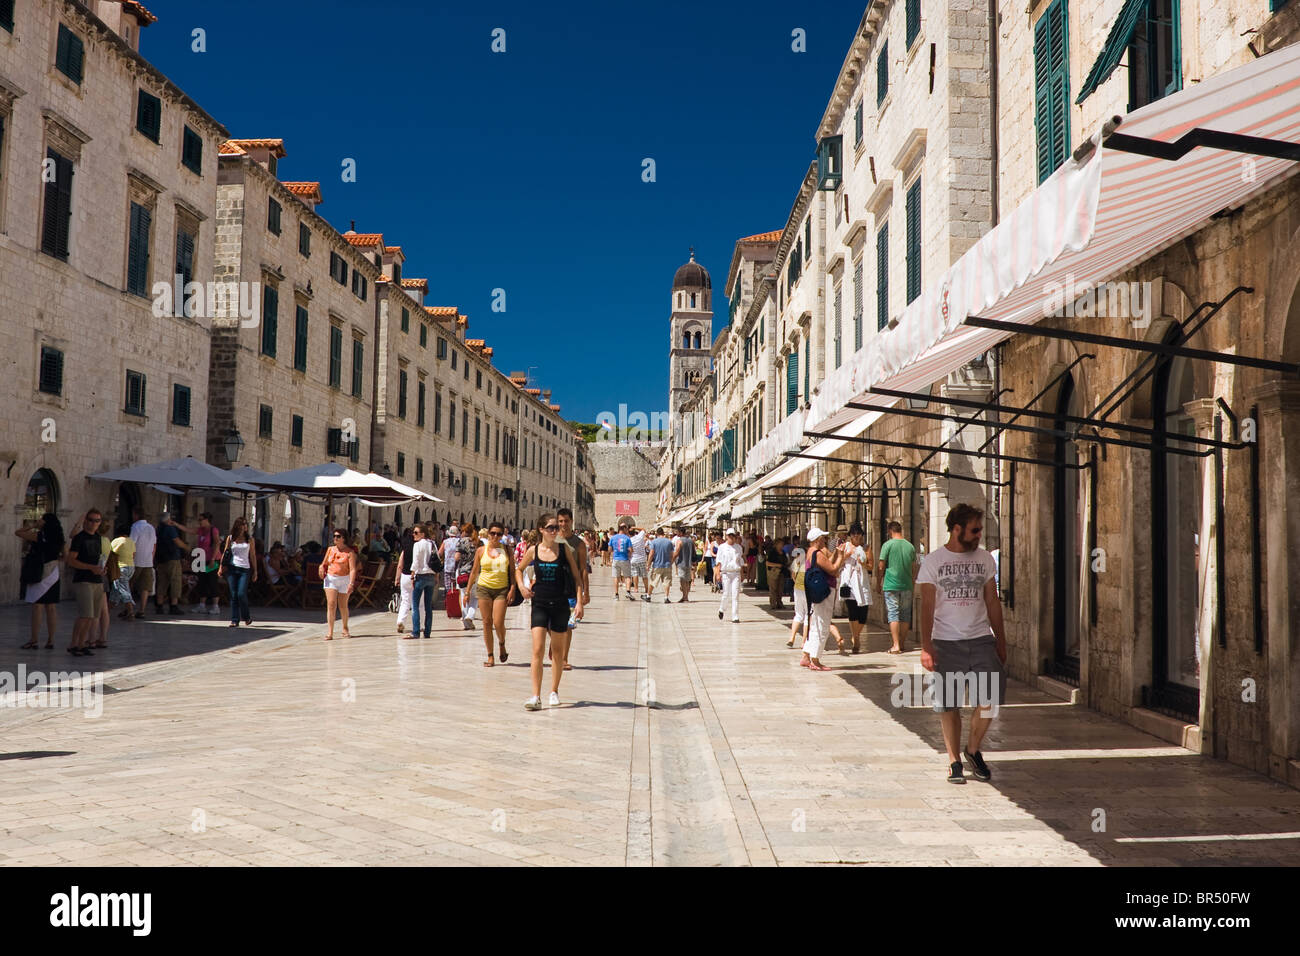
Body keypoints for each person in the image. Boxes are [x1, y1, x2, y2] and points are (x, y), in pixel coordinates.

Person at [918, 503, 1006, 785]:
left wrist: (1000, 640)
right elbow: (927, 606)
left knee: (989, 699)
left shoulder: (984, 559)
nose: (979, 535)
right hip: (946, 641)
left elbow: (992, 601)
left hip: (980, 639)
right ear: (957, 529)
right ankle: (954, 760)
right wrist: (926, 646)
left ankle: (973, 749)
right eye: (975, 530)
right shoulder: (933, 562)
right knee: (949, 705)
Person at [517, 514, 585, 711]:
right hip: (539, 603)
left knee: (557, 651)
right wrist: (521, 586)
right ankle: (535, 696)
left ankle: (553, 691)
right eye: (550, 528)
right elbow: (518, 569)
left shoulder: (564, 550)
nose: (555, 531)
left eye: (556, 527)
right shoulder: (533, 550)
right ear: (541, 529)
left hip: (561, 604)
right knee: (537, 649)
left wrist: (579, 602)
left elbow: (576, 576)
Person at [469, 521, 517, 665]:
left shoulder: (508, 550)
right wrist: (466, 592)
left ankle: (501, 643)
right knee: (486, 622)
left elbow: (513, 572)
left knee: (498, 622)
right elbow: (474, 571)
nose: (495, 536)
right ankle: (490, 655)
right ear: (488, 533)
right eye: (493, 533)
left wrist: (513, 589)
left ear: (503, 535)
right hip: (484, 588)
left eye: (499, 534)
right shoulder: (481, 551)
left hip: (501, 589)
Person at [800, 527, 847, 672]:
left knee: (816, 624)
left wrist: (835, 555)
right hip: (824, 591)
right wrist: (840, 556)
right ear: (816, 540)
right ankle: (815, 659)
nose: (825, 540)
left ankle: (807, 656)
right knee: (822, 625)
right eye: (822, 538)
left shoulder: (813, 552)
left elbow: (827, 564)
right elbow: (832, 569)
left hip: (818, 592)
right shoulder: (817, 553)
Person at [16, 512, 65, 649]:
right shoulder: (60, 538)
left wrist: (32, 525)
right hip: (53, 572)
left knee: (37, 606)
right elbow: (64, 556)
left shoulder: (39, 536)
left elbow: (18, 532)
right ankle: (50, 640)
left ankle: (34, 640)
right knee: (51, 607)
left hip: (39, 572)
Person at [65, 510, 106, 656]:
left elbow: (97, 559)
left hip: (97, 580)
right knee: (84, 614)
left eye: (97, 520)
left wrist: (101, 569)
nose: (94, 523)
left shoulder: (98, 538)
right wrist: (91, 568)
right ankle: (74, 644)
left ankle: (82, 644)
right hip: (83, 580)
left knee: (93, 615)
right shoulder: (79, 538)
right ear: (85, 521)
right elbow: (71, 560)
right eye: (91, 520)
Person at [877, 521, 919, 654]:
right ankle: (902, 643)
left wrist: (879, 581)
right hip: (907, 585)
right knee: (905, 615)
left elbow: (881, 566)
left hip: (891, 585)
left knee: (893, 614)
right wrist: (912, 583)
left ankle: (896, 645)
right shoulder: (910, 546)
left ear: (890, 531)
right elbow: (914, 568)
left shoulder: (887, 545)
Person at [556, 508, 590, 670]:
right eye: (560, 521)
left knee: (568, 626)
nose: (563, 524)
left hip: (571, 587)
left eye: (566, 521)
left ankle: (564, 658)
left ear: (571, 521)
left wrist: (586, 592)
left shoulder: (579, 544)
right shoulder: (552, 540)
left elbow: (583, 568)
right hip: (554, 587)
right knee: (553, 625)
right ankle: (555, 647)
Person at [171, 513, 221, 615]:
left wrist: (212, 559)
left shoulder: (213, 530)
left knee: (212, 581)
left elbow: (216, 544)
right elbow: (188, 530)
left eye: (201, 519)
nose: (199, 521)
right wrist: (176, 524)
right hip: (202, 559)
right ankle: (202, 605)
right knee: (202, 581)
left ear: (207, 520)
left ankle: (215, 606)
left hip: (213, 560)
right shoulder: (201, 530)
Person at [317, 529, 358, 639]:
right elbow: (324, 563)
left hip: (344, 579)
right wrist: (321, 567)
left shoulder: (350, 553)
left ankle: (345, 627)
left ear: (344, 538)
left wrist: (351, 583)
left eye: (338, 536)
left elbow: (353, 569)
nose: (335, 538)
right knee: (331, 604)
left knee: (343, 605)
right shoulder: (330, 550)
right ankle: (330, 632)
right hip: (331, 578)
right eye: (334, 536)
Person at [217, 517, 257, 628]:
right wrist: (221, 567)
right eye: (242, 524)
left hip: (245, 569)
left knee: (241, 594)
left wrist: (255, 571)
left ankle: (246, 616)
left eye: (246, 524)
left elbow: (252, 555)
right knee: (234, 594)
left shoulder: (250, 539)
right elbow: (225, 552)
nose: (245, 526)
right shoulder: (230, 538)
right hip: (232, 568)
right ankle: (235, 620)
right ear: (237, 526)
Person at [839, 523, 871, 654]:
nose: (856, 536)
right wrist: (846, 555)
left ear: (862, 535)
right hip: (849, 583)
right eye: (853, 534)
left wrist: (863, 563)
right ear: (850, 536)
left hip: (862, 583)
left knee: (863, 613)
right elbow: (837, 562)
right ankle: (856, 639)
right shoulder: (845, 547)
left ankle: (855, 635)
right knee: (853, 612)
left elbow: (871, 566)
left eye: (858, 533)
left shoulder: (866, 548)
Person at [407, 523, 438, 640]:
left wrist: (412, 574)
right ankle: (427, 632)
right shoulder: (432, 543)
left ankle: (415, 632)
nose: (413, 535)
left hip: (420, 575)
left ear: (422, 534)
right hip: (431, 575)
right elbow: (437, 559)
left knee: (415, 605)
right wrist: (436, 576)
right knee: (428, 606)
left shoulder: (418, 545)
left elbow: (415, 562)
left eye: (416, 533)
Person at [128, 508, 156, 619]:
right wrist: (151, 558)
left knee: (129, 584)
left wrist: (130, 559)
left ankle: (129, 609)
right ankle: (142, 610)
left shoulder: (135, 527)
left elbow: (131, 544)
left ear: (136, 515)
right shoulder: (151, 528)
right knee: (145, 587)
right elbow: (154, 545)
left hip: (136, 561)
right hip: (148, 561)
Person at [715, 528, 744, 623]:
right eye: (729, 535)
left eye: (733, 535)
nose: (731, 537)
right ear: (726, 536)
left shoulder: (738, 547)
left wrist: (742, 574)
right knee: (726, 594)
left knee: (735, 595)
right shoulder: (722, 547)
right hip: (726, 573)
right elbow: (718, 562)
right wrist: (718, 574)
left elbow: (740, 561)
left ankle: (735, 616)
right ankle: (722, 609)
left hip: (736, 572)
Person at [455, 523, 479, 631]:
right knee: (474, 597)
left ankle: (465, 620)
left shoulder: (461, 541)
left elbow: (456, 557)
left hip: (463, 572)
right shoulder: (478, 542)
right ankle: (470, 616)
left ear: (464, 531)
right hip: (477, 572)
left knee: (463, 595)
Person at [392, 526, 415, 635]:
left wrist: (397, 578)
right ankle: (419, 624)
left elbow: (400, 565)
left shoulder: (405, 548)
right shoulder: (419, 546)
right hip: (416, 576)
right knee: (418, 602)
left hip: (405, 576)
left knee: (405, 601)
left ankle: (401, 621)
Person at [786, 544, 807, 648]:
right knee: (808, 615)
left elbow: (793, 576)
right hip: (807, 590)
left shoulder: (795, 562)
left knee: (798, 614)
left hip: (797, 589)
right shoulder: (809, 562)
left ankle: (792, 638)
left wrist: (796, 583)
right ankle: (803, 641)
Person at [647, 528, 674, 604]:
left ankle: (648, 596)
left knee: (653, 581)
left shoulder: (654, 542)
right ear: (663, 533)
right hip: (667, 565)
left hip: (657, 565)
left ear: (657, 534)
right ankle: (666, 597)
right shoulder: (669, 542)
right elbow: (672, 554)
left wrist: (648, 564)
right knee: (667, 582)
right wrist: (671, 563)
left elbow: (651, 554)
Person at [609, 521, 633, 600]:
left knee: (616, 577)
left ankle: (616, 595)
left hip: (616, 559)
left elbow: (609, 549)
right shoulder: (627, 538)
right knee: (627, 576)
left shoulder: (613, 538)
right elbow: (630, 549)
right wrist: (629, 554)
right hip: (625, 559)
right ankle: (628, 592)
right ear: (625, 529)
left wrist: (613, 554)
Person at [671, 527, 695, 602]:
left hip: (681, 563)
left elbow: (677, 552)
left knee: (682, 580)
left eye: (678, 532)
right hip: (689, 563)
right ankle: (686, 596)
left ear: (681, 533)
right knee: (687, 580)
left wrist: (671, 561)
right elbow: (694, 552)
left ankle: (684, 596)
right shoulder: (691, 541)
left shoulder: (679, 541)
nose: (677, 534)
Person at [764, 537, 786, 610]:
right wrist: (777, 565)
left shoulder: (783, 552)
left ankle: (779, 603)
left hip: (782, 572)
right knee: (773, 589)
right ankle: (773, 604)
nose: (782, 545)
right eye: (780, 544)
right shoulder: (772, 552)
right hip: (773, 572)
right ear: (776, 544)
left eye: (783, 544)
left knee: (780, 589)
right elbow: (767, 563)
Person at [629, 524, 650, 602]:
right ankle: (646, 588)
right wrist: (634, 527)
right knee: (644, 575)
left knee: (635, 574)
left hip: (633, 559)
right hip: (642, 559)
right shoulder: (640, 536)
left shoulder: (630, 540)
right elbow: (643, 529)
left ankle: (636, 588)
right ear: (635, 532)